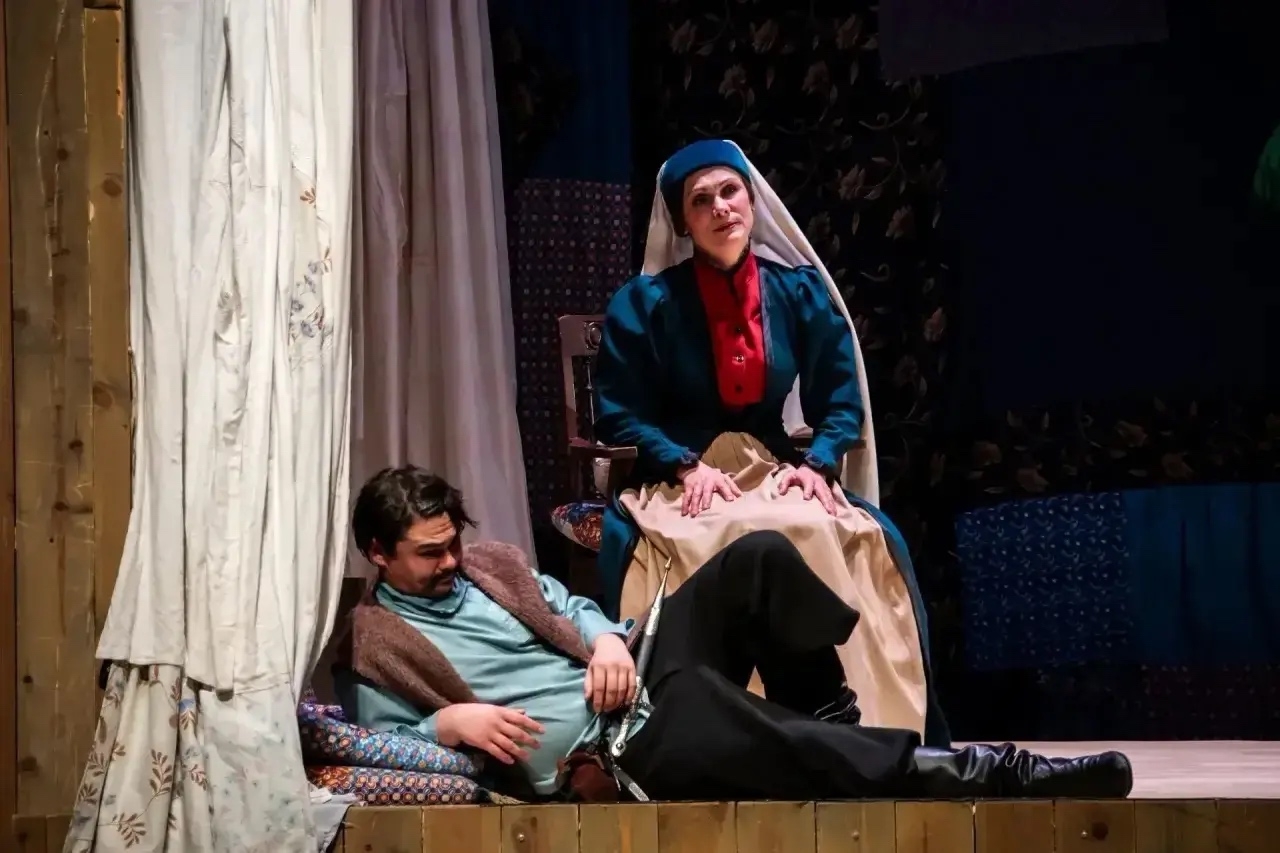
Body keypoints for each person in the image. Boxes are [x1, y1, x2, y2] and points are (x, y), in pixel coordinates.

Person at [331, 466, 1133, 803]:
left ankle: (830, 731)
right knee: (712, 712)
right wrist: (447, 722)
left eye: (452, 542)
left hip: (636, 669)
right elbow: (376, 744)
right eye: (429, 553)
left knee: (759, 557)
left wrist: (605, 639)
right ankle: (994, 773)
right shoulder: (377, 645)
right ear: (378, 553)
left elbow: (568, 607)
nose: (450, 560)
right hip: (607, 749)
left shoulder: (491, 566)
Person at [593, 138, 946, 744]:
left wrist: (819, 463)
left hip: (769, 462)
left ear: (752, 202)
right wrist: (684, 466)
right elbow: (618, 412)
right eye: (701, 200)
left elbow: (841, 400)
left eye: (730, 192)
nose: (720, 208)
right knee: (726, 534)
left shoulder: (797, 292)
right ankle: (741, 736)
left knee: (824, 527)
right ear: (683, 222)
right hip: (682, 473)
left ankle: (860, 731)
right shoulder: (645, 303)